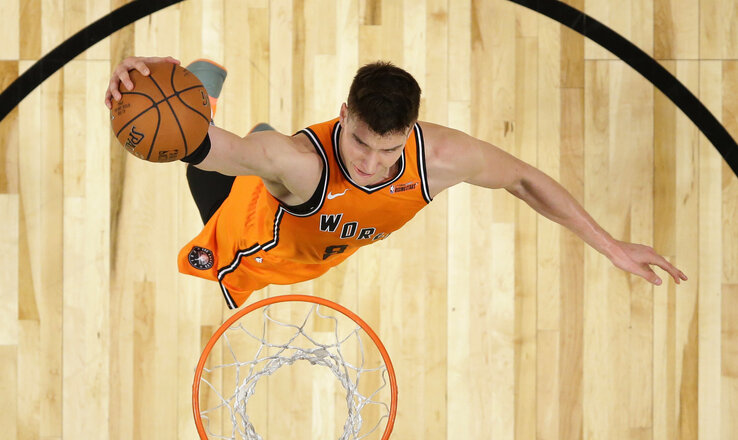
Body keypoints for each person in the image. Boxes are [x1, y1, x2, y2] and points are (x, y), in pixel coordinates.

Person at [105, 56, 688, 309]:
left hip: (320, 240)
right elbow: (202, 143)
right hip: (249, 226)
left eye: (388, 149)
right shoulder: (299, 163)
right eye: (359, 141)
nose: (369, 164)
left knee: (254, 150)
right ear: (343, 113)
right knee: (201, 154)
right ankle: (198, 84)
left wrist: (612, 246)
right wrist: (149, 86)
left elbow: (526, 180)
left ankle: (203, 92)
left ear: (410, 130)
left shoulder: (441, 155)